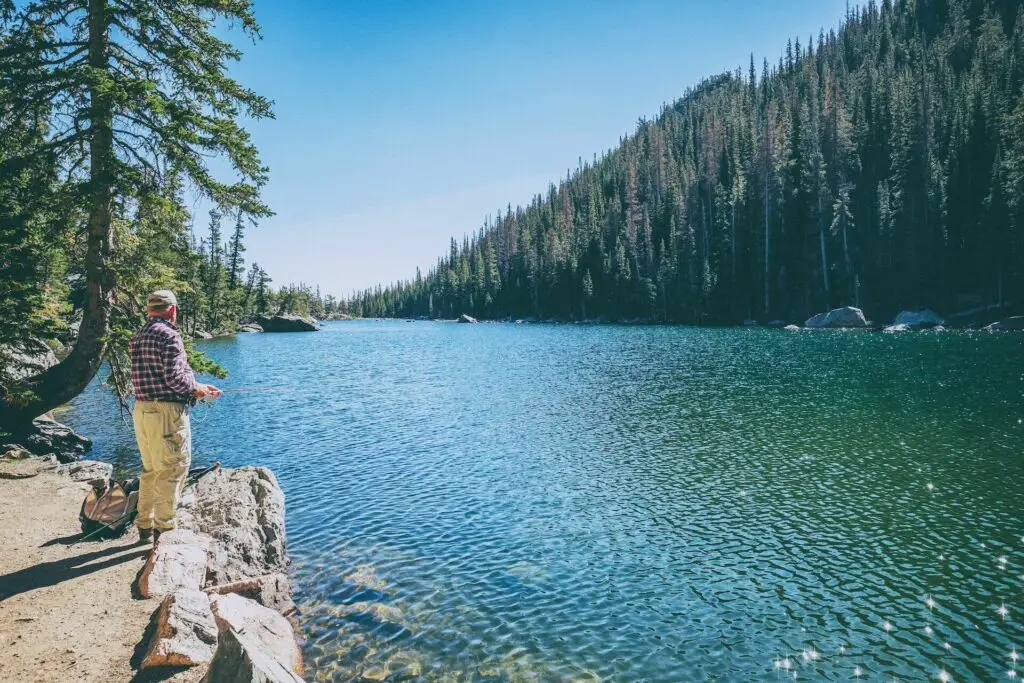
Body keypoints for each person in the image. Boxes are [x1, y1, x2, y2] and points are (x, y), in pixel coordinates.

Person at [129, 289, 221, 543]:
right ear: (172, 310)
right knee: (173, 470)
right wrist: (197, 389)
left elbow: (163, 376)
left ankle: (144, 527)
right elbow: (175, 379)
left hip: (142, 409)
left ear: (150, 310)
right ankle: (165, 533)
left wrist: (197, 384)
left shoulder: (139, 336)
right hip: (166, 413)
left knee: (150, 470)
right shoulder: (169, 335)